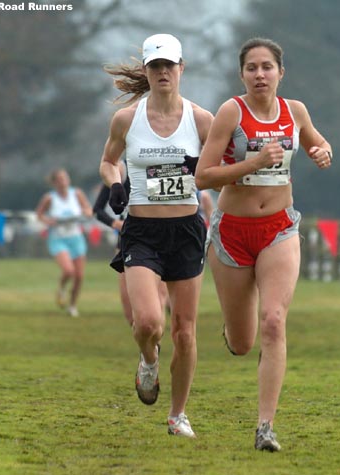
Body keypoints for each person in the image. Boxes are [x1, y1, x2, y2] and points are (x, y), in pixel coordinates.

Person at [194, 37, 333, 452]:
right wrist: (253, 163)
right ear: (242, 75)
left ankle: (265, 427)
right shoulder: (230, 112)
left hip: (279, 228)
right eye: (252, 68)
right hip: (233, 232)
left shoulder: (296, 111)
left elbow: (315, 142)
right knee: (242, 343)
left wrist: (323, 151)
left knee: (274, 321)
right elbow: (203, 175)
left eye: (267, 67)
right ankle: (234, 330)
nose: (260, 74)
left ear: (280, 73)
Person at [99, 33, 213, 438]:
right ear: (146, 71)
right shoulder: (127, 120)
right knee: (148, 322)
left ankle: (177, 414)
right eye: (155, 66)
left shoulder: (201, 120)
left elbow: (219, 170)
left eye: (170, 65)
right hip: (142, 231)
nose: (163, 72)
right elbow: (109, 161)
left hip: (185, 230)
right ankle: (148, 360)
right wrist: (114, 184)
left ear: (182, 68)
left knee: (185, 329)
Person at [92, 161, 169, 326]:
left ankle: (156, 343)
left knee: (160, 296)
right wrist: (116, 224)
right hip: (127, 243)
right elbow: (97, 210)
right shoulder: (117, 175)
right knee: (130, 310)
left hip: (157, 239)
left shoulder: (153, 169)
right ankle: (146, 343)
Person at [36, 168, 93, 318]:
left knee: (79, 276)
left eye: (65, 178)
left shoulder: (77, 194)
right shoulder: (50, 198)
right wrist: (48, 221)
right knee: (69, 271)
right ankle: (61, 289)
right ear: (54, 183)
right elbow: (39, 215)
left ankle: (72, 305)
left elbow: (88, 209)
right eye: (60, 179)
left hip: (76, 237)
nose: (63, 181)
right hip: (58, 238)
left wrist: (86, 213)